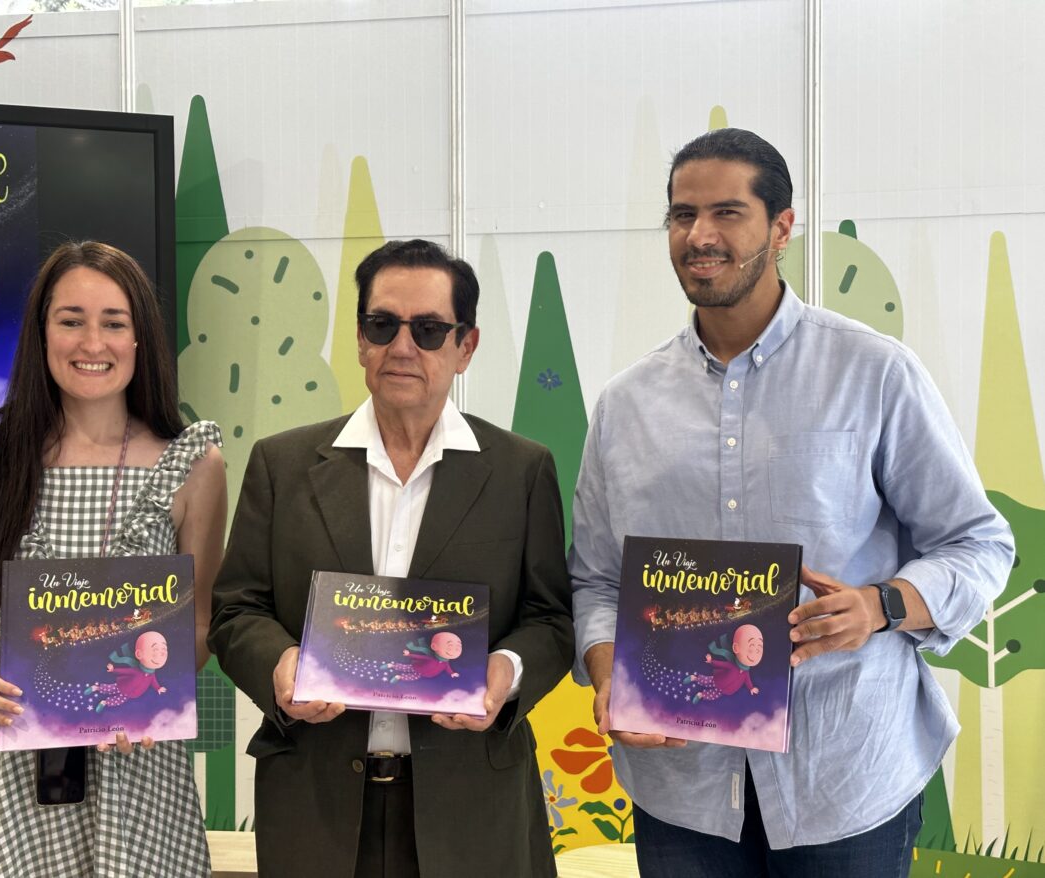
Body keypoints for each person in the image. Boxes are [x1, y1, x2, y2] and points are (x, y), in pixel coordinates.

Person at [569, 128, 1014, 877]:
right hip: (682, 788)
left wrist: (882, 605)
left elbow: (979, 542)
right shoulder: (626, 404)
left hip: (843, 775)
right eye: (682, 215)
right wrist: (611, 671)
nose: (699, 236)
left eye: (727, 212)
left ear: (782, 228)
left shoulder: (874, 373)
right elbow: (595, 578)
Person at [208, 238, 573, 878]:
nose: (402, 347)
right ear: (359, 339)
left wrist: (507, 672)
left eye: (429, 330)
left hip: (472, 809)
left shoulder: (522, 470)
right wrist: (280, 665)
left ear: (466, 346)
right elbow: (237, 610)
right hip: (316, 805)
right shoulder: (281, 464)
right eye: (382, 325)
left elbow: (551, 619)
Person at [0, 241, 227, 876]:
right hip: (11, 764)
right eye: (71, 320)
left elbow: (199, 624)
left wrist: (147, 693)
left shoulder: (193, 464)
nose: (93, 343)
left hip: (136, 764)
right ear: (41, 334)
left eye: (114, 322)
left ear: (140, 338)